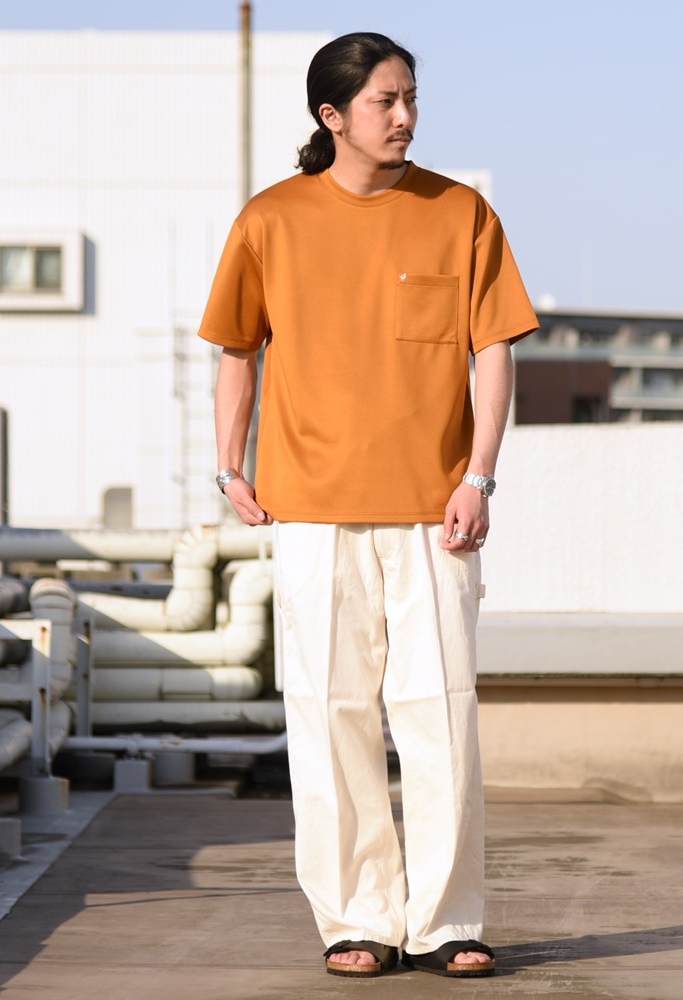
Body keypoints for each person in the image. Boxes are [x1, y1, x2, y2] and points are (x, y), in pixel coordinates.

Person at [199, 31, 537, 979]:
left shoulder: (460, 212)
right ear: (332, 115)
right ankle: (356, 917)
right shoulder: (271, 220)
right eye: (386, 101)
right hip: (310, 508)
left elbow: (493, 349)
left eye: (411, 97)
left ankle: (448, 921)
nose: (405, 116)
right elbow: (237, 350)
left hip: (435, 511)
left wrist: (478, 476)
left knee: (441, 716)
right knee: (329, 713)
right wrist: (228, 467)